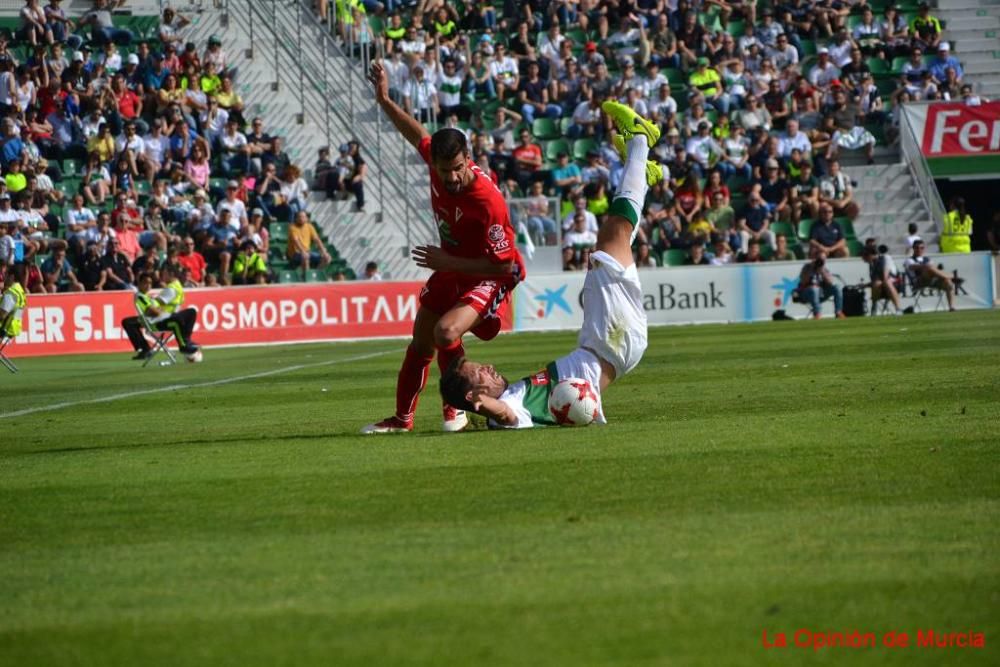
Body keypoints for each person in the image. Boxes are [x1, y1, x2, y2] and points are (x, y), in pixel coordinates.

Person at [437, 103, 661, 428]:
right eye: (479, 373)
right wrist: (481, 406)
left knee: (615, 241)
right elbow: (500, 413)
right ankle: (641, 140)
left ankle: (642, 174)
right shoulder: (510, 410)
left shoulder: (514, 395)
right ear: (476, 396)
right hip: (611, 340)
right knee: (614, 234)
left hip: (601, 342)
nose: (487, 367)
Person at [362, 60, 528, 434]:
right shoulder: (436, 161)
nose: (451, 177)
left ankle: (458, 410)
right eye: (442, 170)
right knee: (421, 343)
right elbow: (416, 132)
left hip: (491, 274)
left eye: (457, 168)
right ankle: (402, 420)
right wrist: (385, 99)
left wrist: (445, 259)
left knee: (446, 332)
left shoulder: (488, 201)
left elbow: (506, 268)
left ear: (467, 158)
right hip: (454, 267)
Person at [121, 265, 200, 360]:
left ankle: (187, 341)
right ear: (139, 283)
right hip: (155, 322)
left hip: (163, 318)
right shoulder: (141, 296)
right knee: (176, 320)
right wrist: (160, 310)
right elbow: (154, 312)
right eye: (146, 283)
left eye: (150, 283)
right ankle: (183, 346)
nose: (148, 286)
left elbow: (156, 309)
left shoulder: (149, 296)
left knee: (191, 312)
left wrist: (160, 309)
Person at [904, 240, 956, 311]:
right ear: (913, 248)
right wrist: (927, 267)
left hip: (931, 280)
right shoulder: (909, 260)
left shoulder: (927, 259)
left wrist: (930, 267)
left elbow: (933, 269)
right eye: (917, 248)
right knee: (929, 268)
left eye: (921, 248)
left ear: (924, 249)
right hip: (918, 282)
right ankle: (949, 276)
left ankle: (951, 307)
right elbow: (913, 267)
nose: (919, 249)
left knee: (948, 283)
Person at [797, 252, 845, 319]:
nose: (821, 261)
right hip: (807, 293)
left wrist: (822, 271)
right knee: (814, 289)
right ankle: (817, 313)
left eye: (823, 259)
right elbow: (803, 281)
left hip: (821, 293)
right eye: (819, 259)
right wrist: (812, 269)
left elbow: (830, 282)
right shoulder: (807, 267)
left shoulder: (824, 269)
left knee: (837, 287)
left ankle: (838, 312)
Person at [862, 244, 901, 314]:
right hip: (881, 285)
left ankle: (898, 309)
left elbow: (884, 276)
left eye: (865, 255)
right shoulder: (872, 264)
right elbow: (875, 280)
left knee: (886, 282)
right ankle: (874, 307)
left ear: (871, 255)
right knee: (876, 284)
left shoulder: (885, 258)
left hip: (895, 284)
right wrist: (864, 285)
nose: (863, 257)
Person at [0, 262, 28, 340]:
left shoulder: (11, 293)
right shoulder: (20, 292)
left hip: (2, 329)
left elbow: (2, 315)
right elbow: (18, 314)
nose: (4, 277)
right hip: (11, 329)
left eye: (6, 274)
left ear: (12, 276)